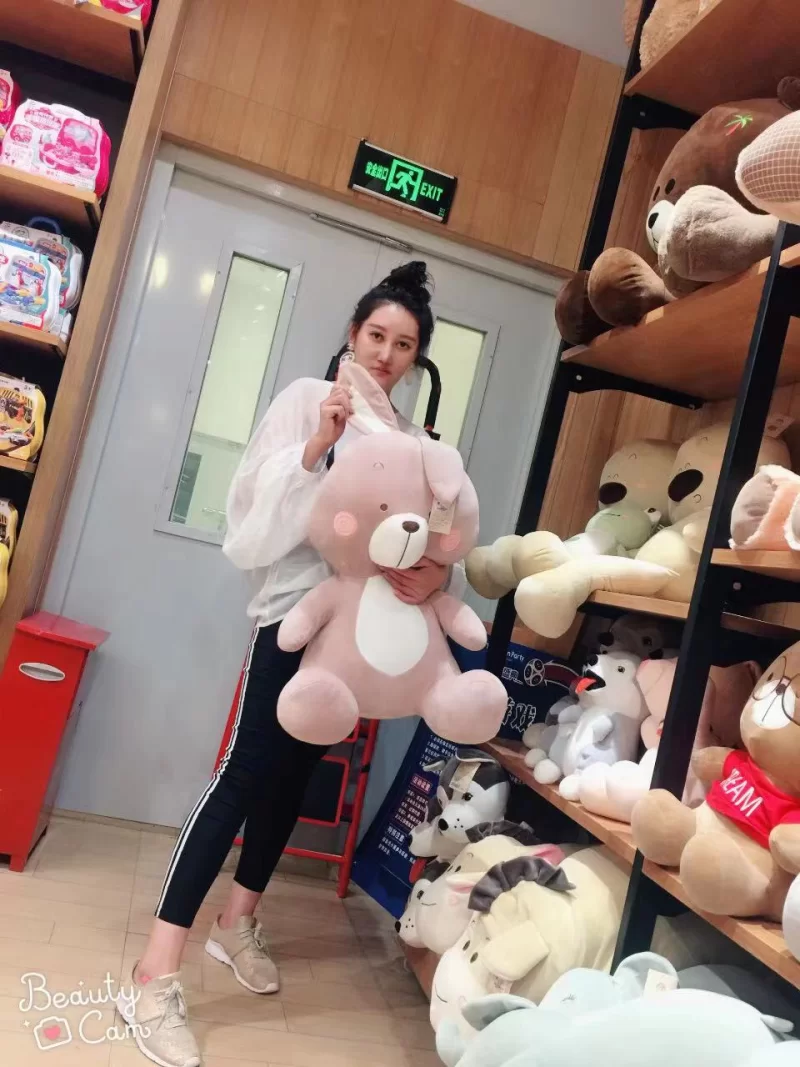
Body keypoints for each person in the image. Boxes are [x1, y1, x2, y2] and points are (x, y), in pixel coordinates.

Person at [122, 262, 465, 1067]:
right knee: (245, 774)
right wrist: (316, 448)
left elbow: (436, 536)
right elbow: (249, 514)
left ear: (416, 357)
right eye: (376, 335)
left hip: (356, 641)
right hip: (292, 618)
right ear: (353, 333)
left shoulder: (416, 443)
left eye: (403, 344)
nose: (385, 354)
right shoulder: (309, 401)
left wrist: (437, 577)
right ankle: (152, 972)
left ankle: (236, 921)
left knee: (297, 775)